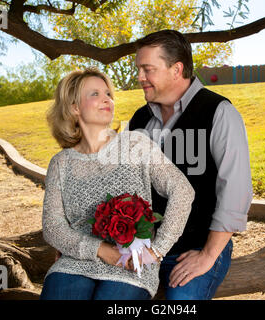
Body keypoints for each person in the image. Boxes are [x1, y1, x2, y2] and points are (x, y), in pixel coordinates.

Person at [40, 67, 195, 300]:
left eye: (108, 94)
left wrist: (157, 250)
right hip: (75, 263)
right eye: (95, 94)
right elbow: (53, 226)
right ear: (74, 107)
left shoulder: (136, 144)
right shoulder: (61, 163)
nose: (106, 99)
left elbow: (182, 190)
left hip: (130, 266)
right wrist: (99, 250)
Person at [126, 30, 253, 300]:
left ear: (176, 69)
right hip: (143, 249)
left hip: (193, 249)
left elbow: (236, 189)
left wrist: (208, 255)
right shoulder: (139, 120)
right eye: (139, 69)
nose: (139, 77)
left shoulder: (219, 112)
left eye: (147, 69)